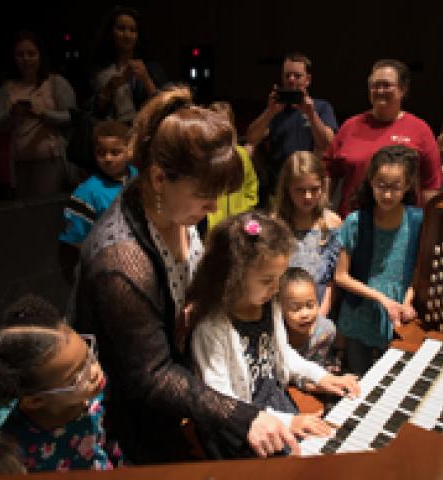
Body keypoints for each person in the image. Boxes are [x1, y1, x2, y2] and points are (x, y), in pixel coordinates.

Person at [73, 84, 308, 462]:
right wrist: (243, 415)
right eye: (205, 195)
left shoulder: (178, 210)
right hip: (134, 419)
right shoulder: (120, 263)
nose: (214, 205)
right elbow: (151, 376)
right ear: (158, 178)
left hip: (182, 394)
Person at [188, 212, 359, 454]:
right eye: (268, 280)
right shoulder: (212, 329)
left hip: (273, 407)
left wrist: (321, 377)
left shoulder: (268, 305)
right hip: (242, 426)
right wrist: (289, 422)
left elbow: (282, 354)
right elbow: (224, 402)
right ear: (233, 277)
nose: (277, 288)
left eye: (279, 278)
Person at [0, 295, 123, 472]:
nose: (95, 372)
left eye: (89, 356)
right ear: (35, 401)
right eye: (76, 377)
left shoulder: (92, 397)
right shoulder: (11, 450)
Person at [334, 145, 423, 376]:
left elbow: (418, 270)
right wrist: (382, 298)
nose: (387, 194)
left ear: (408, 185)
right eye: (380, 186)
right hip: (359, 317)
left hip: (398, 320)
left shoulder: (417, 221)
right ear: (370, 182)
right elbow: (340, 276)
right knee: (359, 383)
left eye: (395, 187)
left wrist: (407, 301)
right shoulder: (356, 221)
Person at [325, 58, 442, 218]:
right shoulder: (350, 126)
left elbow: (431, 187)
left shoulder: (420, 130)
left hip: (401, 229)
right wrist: (322, 214)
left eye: (386, 85)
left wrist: (428, 229)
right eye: (375, 85)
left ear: (403, 89)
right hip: (352, 224)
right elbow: (329, 173)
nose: (380, 90)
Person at [0, 31, 77, 198]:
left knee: (43, 209)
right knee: (25, 212)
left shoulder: (55, 82)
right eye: (20, 54)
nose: (25, 59)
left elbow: (72, 117)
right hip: (19, 159)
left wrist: (43, 114)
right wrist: (11, 113)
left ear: (40, 56)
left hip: (49, 158)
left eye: (31, 54)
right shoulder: (7, 87)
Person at [246, 52, 338, 204]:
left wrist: (311, 114)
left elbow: (328, 144)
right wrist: (270, 112)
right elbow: (251, 139)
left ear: (308, 79)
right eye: (287, 75)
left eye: (297, 75)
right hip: (279, 189)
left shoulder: (321, 107)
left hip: (309, 190)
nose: (291, 80)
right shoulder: (275, 111)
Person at [275, 150, 342, 316]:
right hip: (282, 312)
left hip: (319, 309)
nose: (308, 196)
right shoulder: (276, 225)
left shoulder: (332, 223)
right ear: (287, 189)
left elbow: (333, 280)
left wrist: (320, 315)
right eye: (299, 190)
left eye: (314, 189)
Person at [59, 119, 138, 248]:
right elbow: (75, 241)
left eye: (115, 152)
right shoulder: (86, 193)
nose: (108, 158)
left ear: (129, 152)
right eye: (101, 153)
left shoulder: (140, 179)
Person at [91, 6, 167, 125]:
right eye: (121, 28)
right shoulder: (100, 69)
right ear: (111, 32)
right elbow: (95, 114)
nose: (127, 35)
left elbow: (165, 107)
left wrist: (146, 79)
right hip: (110, 133)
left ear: (138, 36)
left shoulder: (152, 68)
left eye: (133, 30)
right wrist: (108, 88)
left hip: (143, 130)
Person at [206, 101, 258, 230]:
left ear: (232, 126)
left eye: (224, 122)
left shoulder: (241, 154)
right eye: (215, 122)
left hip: (238, 222)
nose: (220, 127)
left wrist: (245, 209)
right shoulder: (203, 155)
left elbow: (251, 185)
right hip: (210, 224)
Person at [279, 267, 339, 373]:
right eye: (295, 309)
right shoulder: (276, 334)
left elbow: (319, 365)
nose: (305, 314)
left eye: (310, 305)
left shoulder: (326, 331)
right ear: (280, 309)